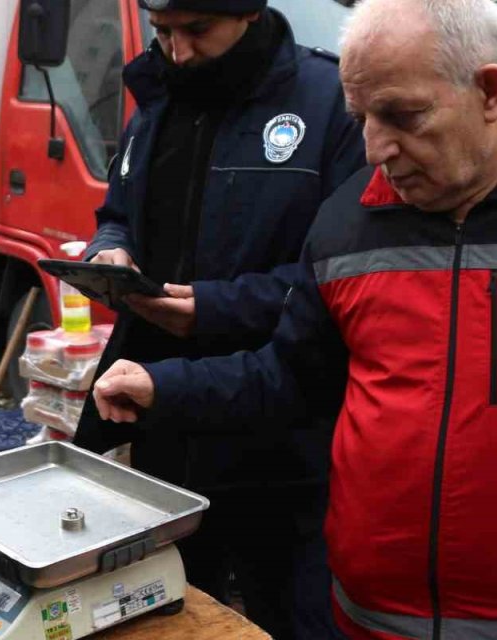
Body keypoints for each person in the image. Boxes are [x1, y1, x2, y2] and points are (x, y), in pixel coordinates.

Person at [91, 0, 497, 638]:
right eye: (361, 118)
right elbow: (290, 378)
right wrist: (166, 387)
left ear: (490, 91)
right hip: (371, 624)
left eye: (401, 116)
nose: (376, 148)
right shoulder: (349, 222)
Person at [72, 0, 365, 638]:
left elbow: (345, 279)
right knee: (173, 615)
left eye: (197, 30)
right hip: (167, 426)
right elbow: (116, 210)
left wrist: (214, 310)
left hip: (281, 440)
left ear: (250, 14)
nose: (176, 51)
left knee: (288, 616)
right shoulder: (156, 100)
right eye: (162, 31)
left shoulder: (329, 106)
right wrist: (109, 251)